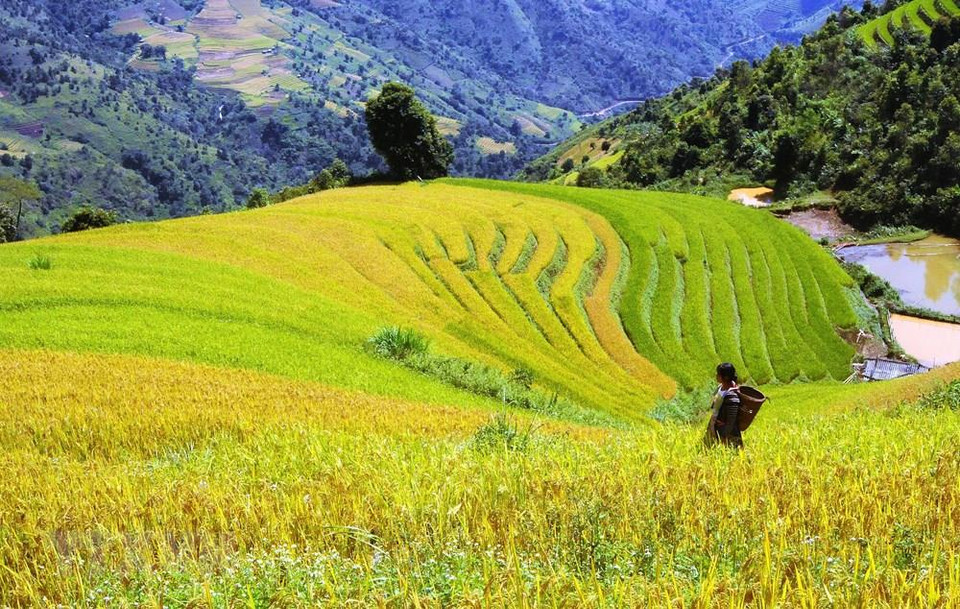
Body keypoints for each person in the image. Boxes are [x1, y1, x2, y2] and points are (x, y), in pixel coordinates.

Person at [705, 362, 743, 449]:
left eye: (718, 374)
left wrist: (723, 435)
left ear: (725, 377)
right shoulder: (720, 387)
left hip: (728, 433)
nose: (716, 375)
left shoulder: (732, 396)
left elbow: (731, 421)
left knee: (731, 457)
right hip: (715, 426)